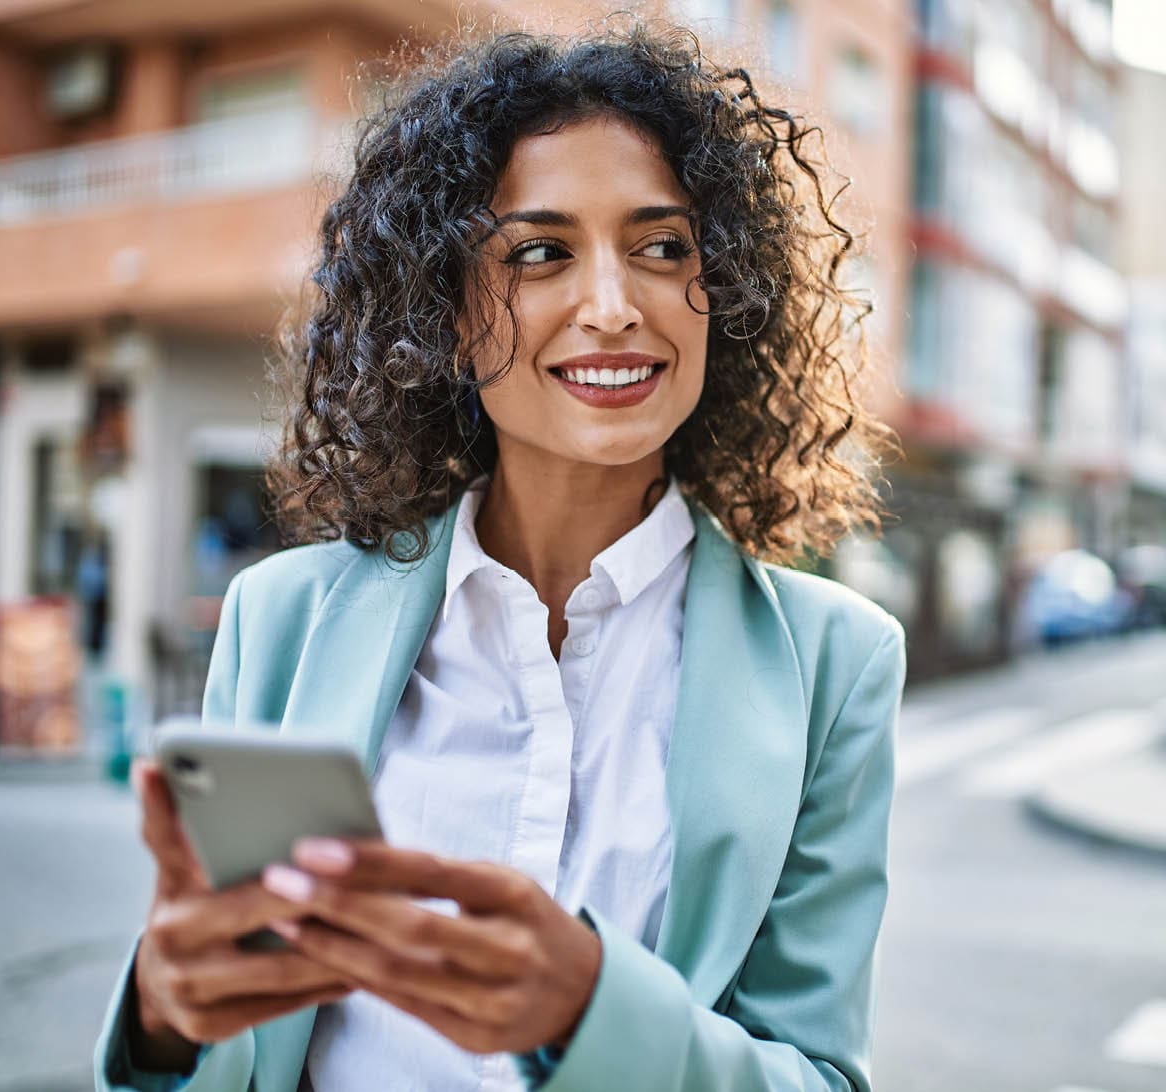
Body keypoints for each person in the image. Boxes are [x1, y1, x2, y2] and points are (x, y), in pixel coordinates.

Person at [95, 18, 906, 1092]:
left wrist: (594, 1014)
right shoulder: (282, 617)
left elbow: (819, 1074)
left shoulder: (836, 665)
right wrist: (165, 1019)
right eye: (539, 253)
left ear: (728, 289)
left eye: (665, 247)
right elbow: (233, 1030)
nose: (613, 306)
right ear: (446, 306)